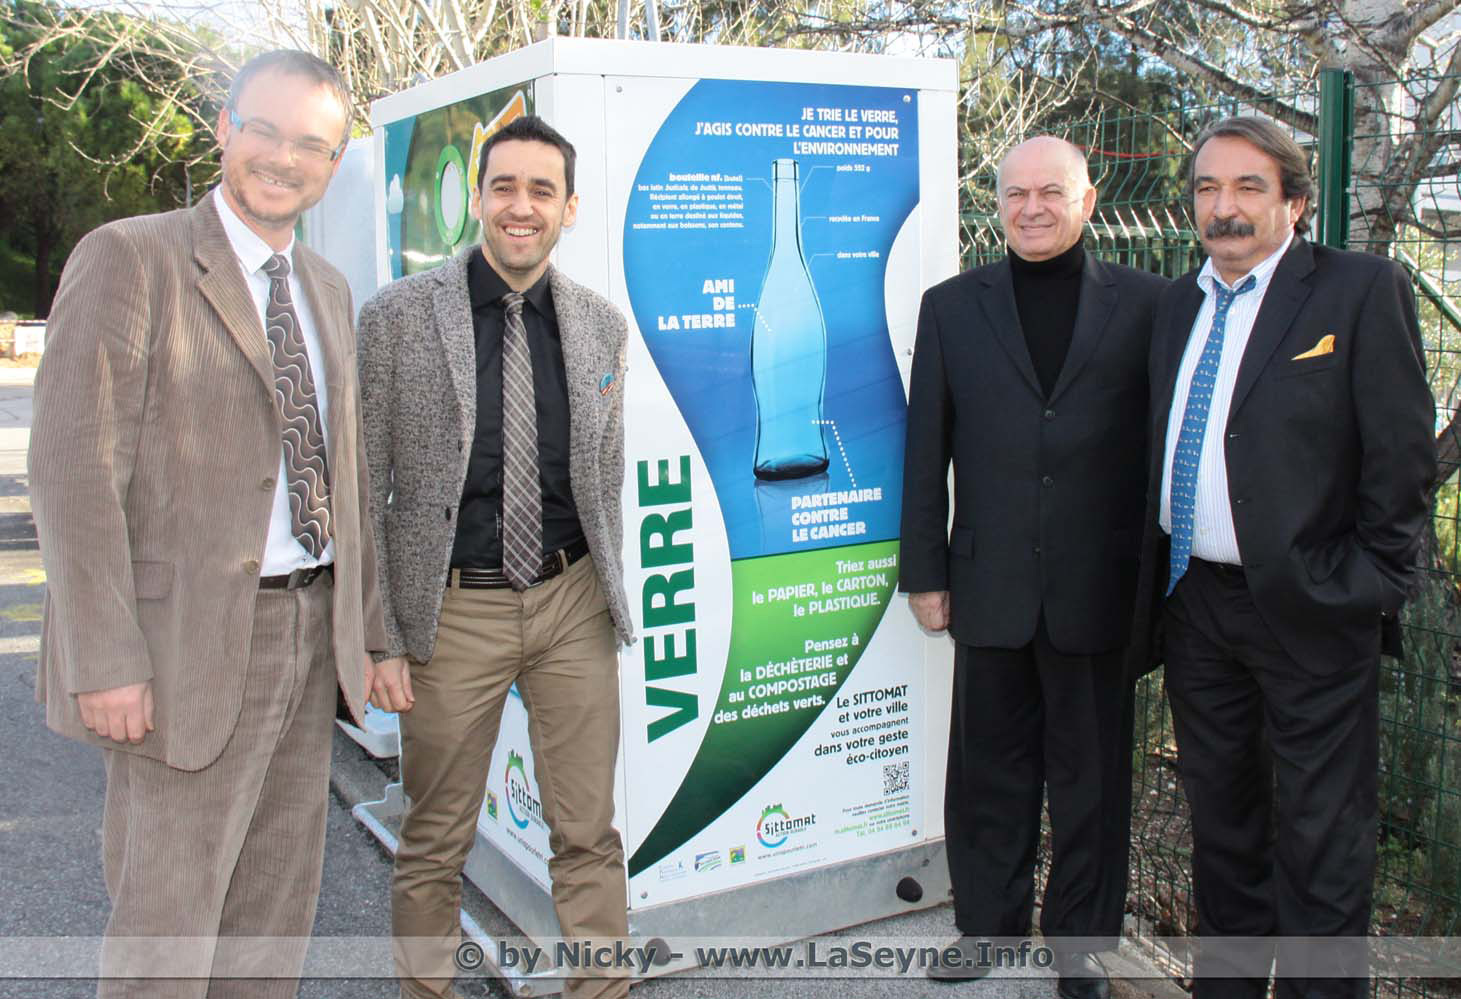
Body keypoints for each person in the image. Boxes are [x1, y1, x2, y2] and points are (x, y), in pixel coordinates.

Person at [29, 49, 385, 998]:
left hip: (308, 631)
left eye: (311, 144)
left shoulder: (325, 289)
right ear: (224, 128)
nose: (283, 157)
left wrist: (367, 634)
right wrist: (105, 655)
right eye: (264, 129)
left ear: (333, 162)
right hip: (181, 646)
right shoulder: (129, 256)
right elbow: (72, 470)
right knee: (168, 926)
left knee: (274, 913)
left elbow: (343, 476)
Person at [1131, 116, 1435, 998]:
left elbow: (1401, 457)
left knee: (1321, 843)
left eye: (1246, 187)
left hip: (1313, 607)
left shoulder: (1356, 290)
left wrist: (1368, 583)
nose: (1222, 207)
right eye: (1206, 188)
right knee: (1223, 833)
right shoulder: (1175, 304)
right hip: (1196, 609)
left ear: (1294, 202)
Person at [357, 114, 633, 999]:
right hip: (451, 612)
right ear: (477, 199)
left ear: (568, 208)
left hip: (571, 602)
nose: (522, 206)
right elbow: (362, 486)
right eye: (504, 186)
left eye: (541, 190)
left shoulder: (599, 326)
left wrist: (607, 594)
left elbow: (603, 474)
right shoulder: (397, 317)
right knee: (434, 837)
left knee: (587, 833)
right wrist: (379, 636)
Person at [900, 136, 1167, 997]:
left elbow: (1164, 453)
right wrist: (924, 571)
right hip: (988, 584)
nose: (1031, 208)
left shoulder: (1149, 305)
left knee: (1092, 783)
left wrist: (1155, 583)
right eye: (1015, 193)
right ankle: (985, 925)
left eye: (1050, 192)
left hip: (1099, 588)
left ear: (1087, 201)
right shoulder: (951, 307)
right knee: (987, 772)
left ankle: (1080, 948)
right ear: (997, 204)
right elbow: (924, 448)